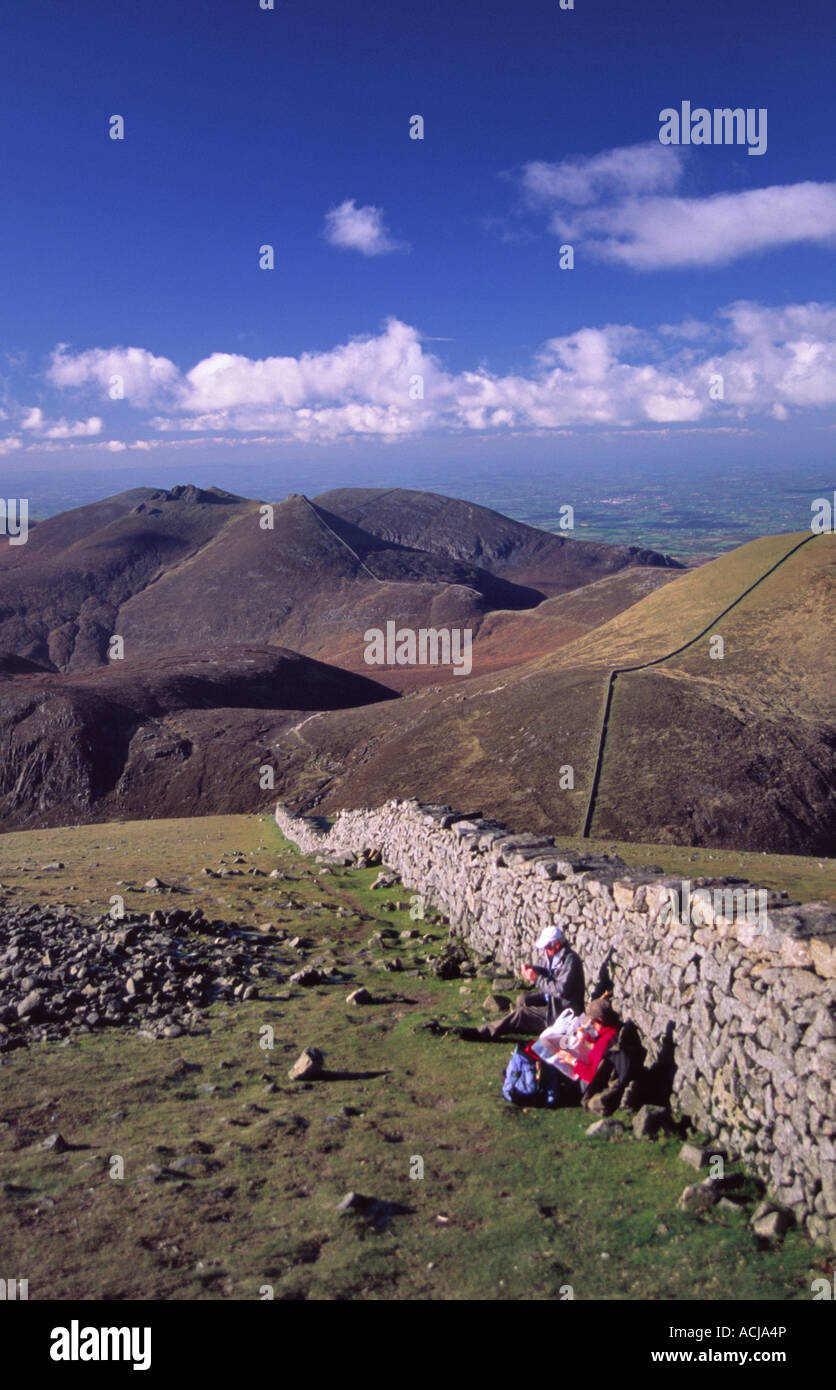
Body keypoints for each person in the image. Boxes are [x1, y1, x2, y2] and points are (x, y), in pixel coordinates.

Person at [457, 925, 584, 1041]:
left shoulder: (571, 961)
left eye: (547, 947)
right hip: (551, 1001)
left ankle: (483, 1032)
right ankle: (515, 1024)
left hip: (562, 1012)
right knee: (522, 1000)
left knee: (521, 1014)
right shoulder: (553, 956)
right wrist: (533, 969)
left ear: (556, 945)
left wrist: (537, 978)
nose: (545, 950)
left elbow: (560, 990)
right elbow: (547, 971)